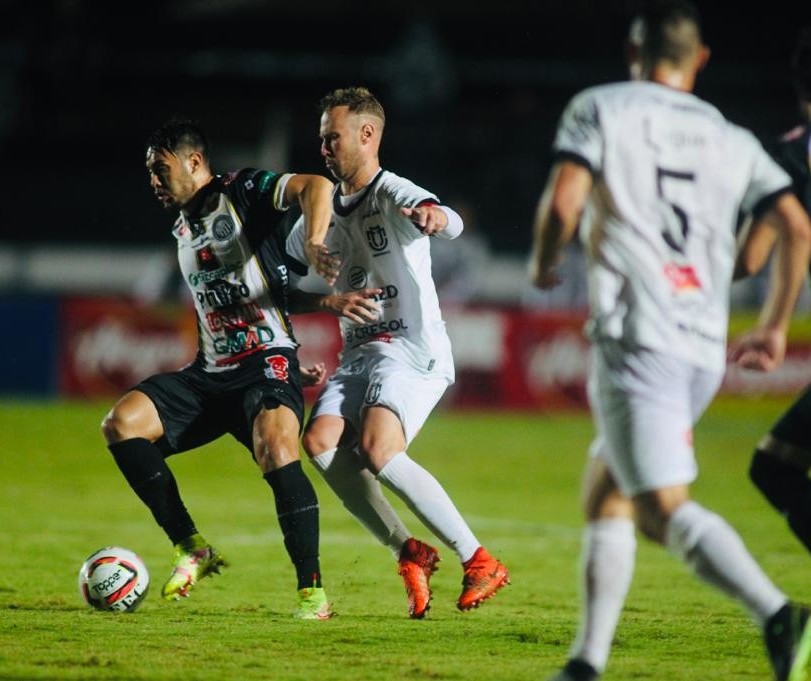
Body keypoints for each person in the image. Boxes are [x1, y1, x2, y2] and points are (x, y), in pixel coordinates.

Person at [529, 3, 811, 680]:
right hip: (699, 344)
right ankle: (585, 662)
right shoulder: (730, 135)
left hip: (638, 339)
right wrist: (772, 324)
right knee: (608, 490)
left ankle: (781, 617)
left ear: (633, 51)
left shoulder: (601, 107)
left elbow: (564, 202)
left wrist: (544, 261)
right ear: (700, 59)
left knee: (659, 509)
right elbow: (795, 226)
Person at [101, 117, 372, 620]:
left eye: (161, 170)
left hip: (265, 365)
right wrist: (326, 302)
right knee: (120, 424)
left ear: (195, 162)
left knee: (276, 448)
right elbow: (268, 288)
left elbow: (316, 185)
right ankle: (192, 548)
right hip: (209, 375)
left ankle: (311, 593)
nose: (154, 182)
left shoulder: (242, 189)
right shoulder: (183, 225)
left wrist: (313, 241)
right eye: (150, 174)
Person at [285, 86, 510, 619]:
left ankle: (478, 558)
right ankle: (409, 551)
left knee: (379, 450)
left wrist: (435, 216)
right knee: (318, 443)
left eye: (331, 138)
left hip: (411, 349)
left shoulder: (389, 191)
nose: (323, 149)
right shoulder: (321, 215)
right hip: (360, 354)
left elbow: (445, 216)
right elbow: (282, 276)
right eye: (321, 139)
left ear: (367, 135)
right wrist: (318, 298)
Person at [748, 27, 811, 567]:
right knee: (775, 465)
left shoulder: (790, 155)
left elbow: (752, 257)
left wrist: (773, 323)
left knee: (773, 470)